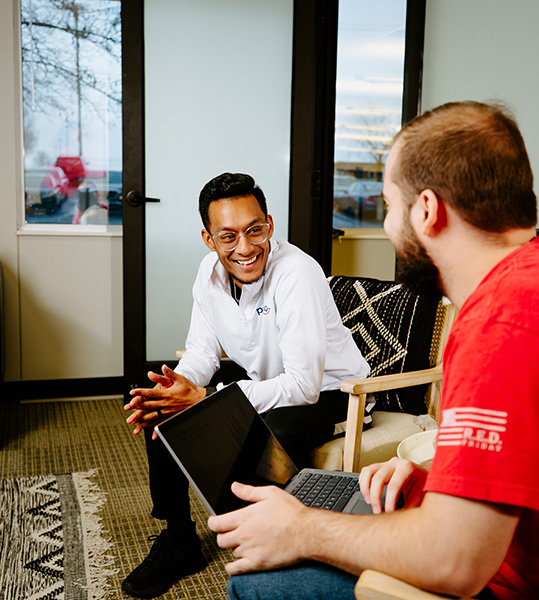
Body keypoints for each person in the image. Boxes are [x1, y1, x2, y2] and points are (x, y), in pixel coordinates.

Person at [207, 101, 539, 600]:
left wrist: (303, 530)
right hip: (515, 543)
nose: (390, 226)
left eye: (389, 206)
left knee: (258, 583)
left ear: (428, 211)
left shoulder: (506, 327)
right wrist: (434, 472)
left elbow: (454, 560)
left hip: (525, 583)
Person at [121, 172, 370, 598]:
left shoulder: (297, 274)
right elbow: (201, 350)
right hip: (267, 383)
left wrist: (209, 399)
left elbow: (305, 385)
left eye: (255, 230)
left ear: (269, 225)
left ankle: (265, 543)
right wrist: (179, 387)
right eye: (228, 236)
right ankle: (180, 540)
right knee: (164, 413)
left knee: (266, 436)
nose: (245, 247)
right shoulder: (208, 274)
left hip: (333, 395)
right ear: (209, 239)